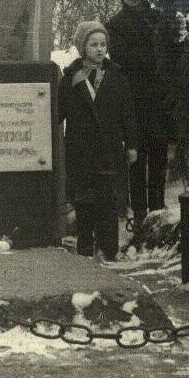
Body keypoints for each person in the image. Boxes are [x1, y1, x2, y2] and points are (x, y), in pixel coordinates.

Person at [58, 21, 138, 261]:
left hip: (109, 150)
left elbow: (128, 113)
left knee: (107, 199)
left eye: (103, 44)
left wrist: (132, 144)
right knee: (84, 198)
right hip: (81, 150)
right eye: (93, 45)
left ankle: (109, 246)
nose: (100, 49)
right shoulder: (71, 78)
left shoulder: (117, 76)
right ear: (83, 47)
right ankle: (85, 242)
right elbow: (57, 112)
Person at [105, 0, 173, 230]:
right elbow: (122, 60)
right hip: (133, 100)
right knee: (137, 156)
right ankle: (140, 212)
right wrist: (152, 59)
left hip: (158, 98)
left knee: (158, 153)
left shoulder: (157, 19)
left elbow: (169, 52)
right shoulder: (115, 24)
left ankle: (157, 207)